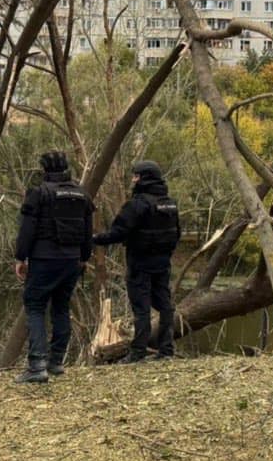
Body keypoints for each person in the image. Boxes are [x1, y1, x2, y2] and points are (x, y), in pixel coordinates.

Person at [14, 150, 93, 384]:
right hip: (71, 260)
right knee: (61, 307)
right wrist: (83, 258)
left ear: (45, 170)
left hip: (44, 259)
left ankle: (37, 365)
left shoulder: (39, 193)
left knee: (35, 306)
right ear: (66, 168)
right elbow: (88, 231)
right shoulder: (82, 195)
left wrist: (20, 258)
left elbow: (26, 230)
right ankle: (56, 361)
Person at [92, 160, 180, 363]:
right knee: (165, 306)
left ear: (145, 178)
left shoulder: (137, 204)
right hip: (162, 263)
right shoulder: (170, 203)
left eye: (136, 176)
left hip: (140, 263)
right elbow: (177, 234)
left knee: (141, 308)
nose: (133, 180)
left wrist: (95, 239)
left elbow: (118, 233)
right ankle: (166, 350)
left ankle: (138, 352)